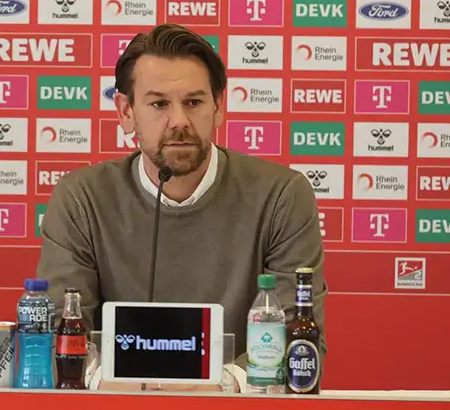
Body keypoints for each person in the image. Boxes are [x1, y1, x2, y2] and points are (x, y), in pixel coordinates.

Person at [36, 24, 328, 391]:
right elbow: (62, 326)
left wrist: (218, 385)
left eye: (194, 102)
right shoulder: (81, 198)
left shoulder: (282, 195)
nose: (179, 122)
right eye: (159, 104)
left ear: (218, 106)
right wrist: (105, 380)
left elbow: (297, 332)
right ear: (126, 111)